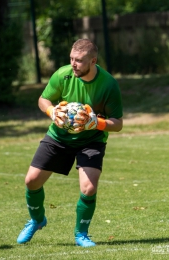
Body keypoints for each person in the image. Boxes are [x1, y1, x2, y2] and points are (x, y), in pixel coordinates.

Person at [17, 39, 123, 247]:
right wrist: (52, 111)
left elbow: (117, 124)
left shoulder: (108, 84)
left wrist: (96, 122)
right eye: (71, 59)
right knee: (31, 181)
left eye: (79, 61)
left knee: (89, 188)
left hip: (91, 140)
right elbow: (43, 100)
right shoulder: (63, 74)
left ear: (93, 61)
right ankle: (37, 220)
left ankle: (81, 234)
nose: (73, 64)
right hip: (59, 136)